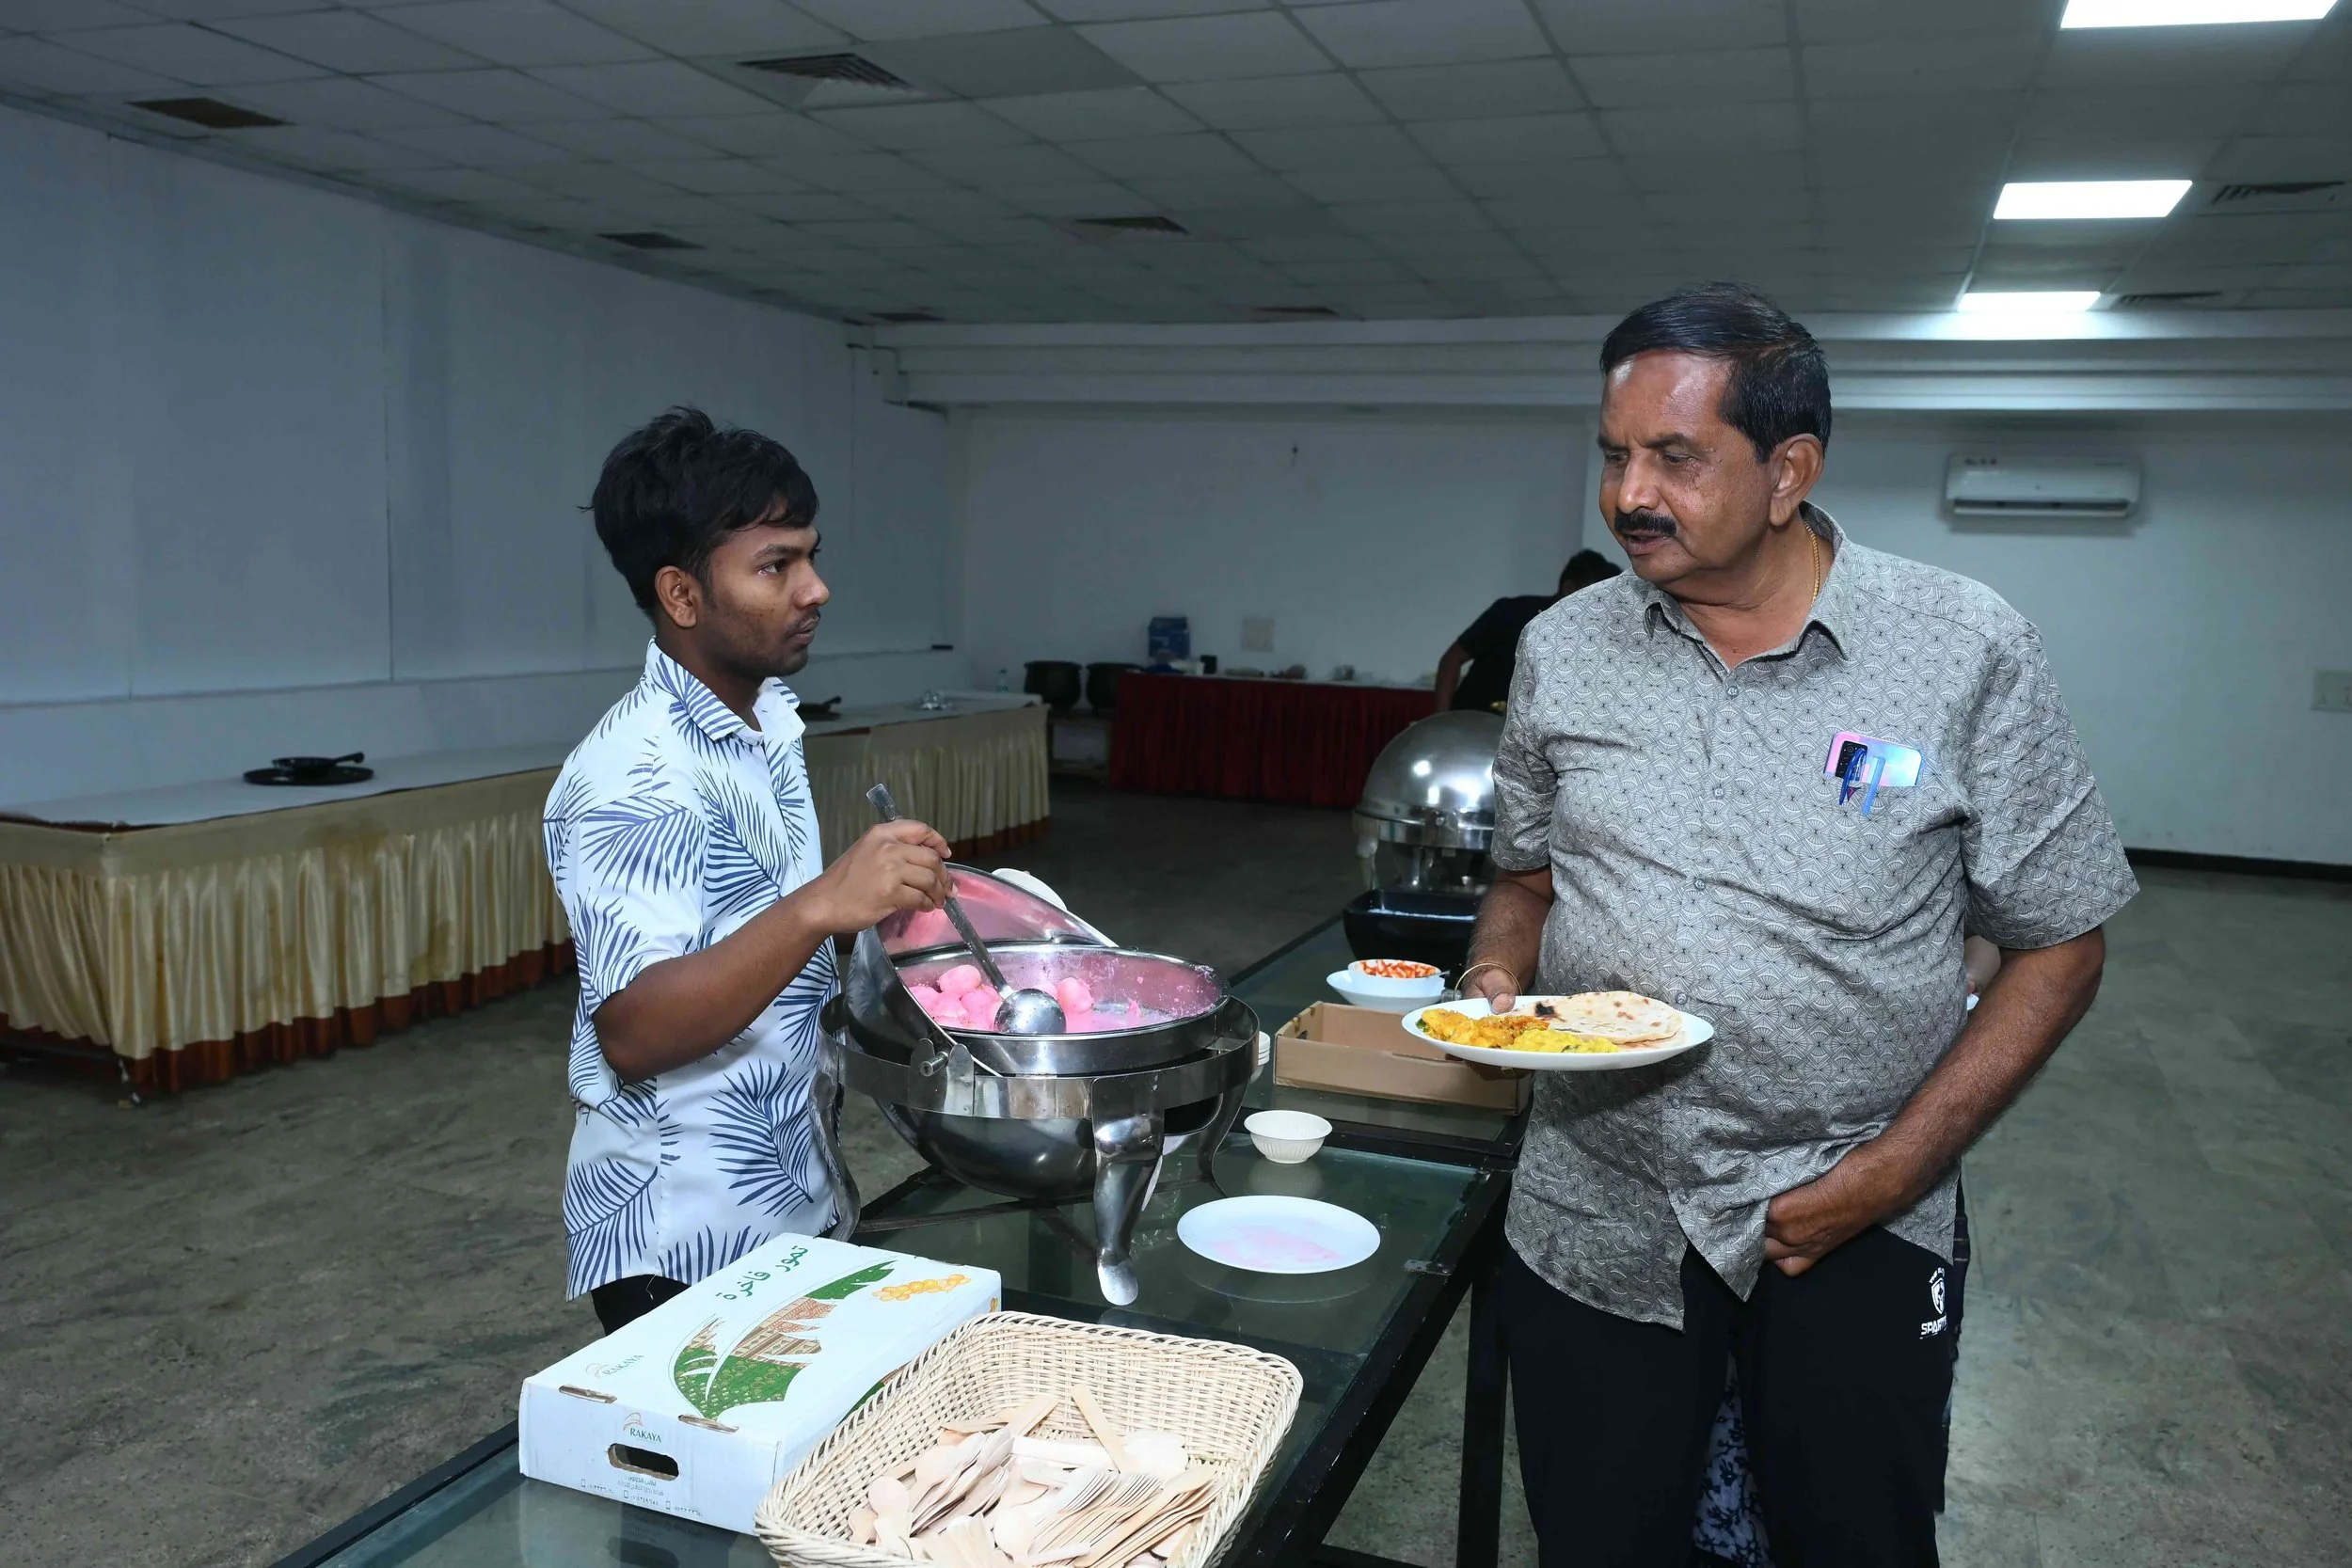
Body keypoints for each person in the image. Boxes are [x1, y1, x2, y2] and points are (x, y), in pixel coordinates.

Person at [1459, 284, 2137, 1565]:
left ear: (1790, 469)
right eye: (1613, 453)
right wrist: (1498, 962)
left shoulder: (1960, 647)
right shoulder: (1564, 646)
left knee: (1854, 1537)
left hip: (1848, 1206)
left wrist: (1892, 1172)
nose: (1628, 494)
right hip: (1601, 1210)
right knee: (1600, 1537)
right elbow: (1528, 874)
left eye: (1675, 456)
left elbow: (2062, 940)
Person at [546, 407, 954, 1335]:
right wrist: (819, 905)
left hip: (784, 1192)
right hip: (685, 1237)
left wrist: (878, 916)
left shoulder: (764, 723)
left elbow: (753, 939)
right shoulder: (631, 777)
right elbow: (636, 1031)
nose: (815, 587)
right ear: (682, 596)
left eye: (809, 555)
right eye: (776, 565)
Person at [1434, 549, 1621, 713]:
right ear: (1568, 589)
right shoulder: (1512, 613)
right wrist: (1441, 721)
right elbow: (1453, 659)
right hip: (1476, 725)